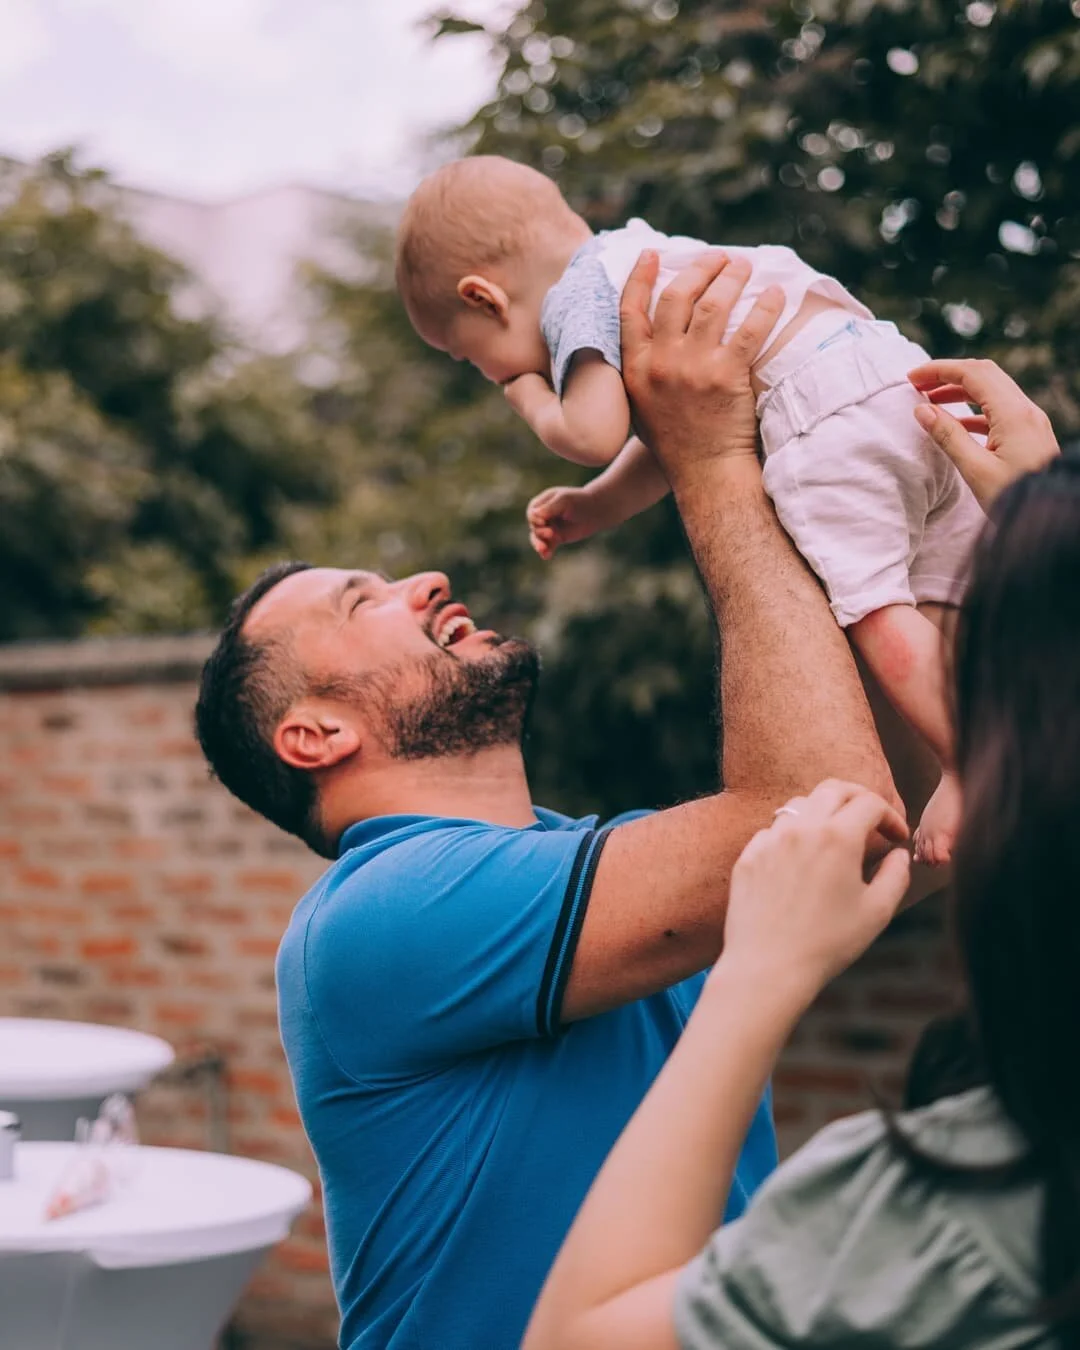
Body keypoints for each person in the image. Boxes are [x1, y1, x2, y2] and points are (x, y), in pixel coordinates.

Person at [193, 253, 901, 1350]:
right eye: (360, 600)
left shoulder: (585, 860)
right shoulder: (382, 913)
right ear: (316, 735)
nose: (421, 580)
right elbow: (818, 809)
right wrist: (709, 457)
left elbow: (877, 821)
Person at [523, 364, 1074, 1350]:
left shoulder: (986, 1203)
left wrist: (761, 972)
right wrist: (1043, 527)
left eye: (979, 723)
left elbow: (574, 1339)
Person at [396, 155, 986, 867]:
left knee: (873, 606)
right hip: (894, 378)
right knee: (938, 593)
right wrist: (595, 507)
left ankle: (971, 762)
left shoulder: (576, 300)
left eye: (467, 356)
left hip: (825, 419)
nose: (487, 373)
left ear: (486, 298)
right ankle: (981, 731)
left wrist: (527, 395)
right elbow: (665, 435)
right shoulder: (642, 254)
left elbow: (590, 433)